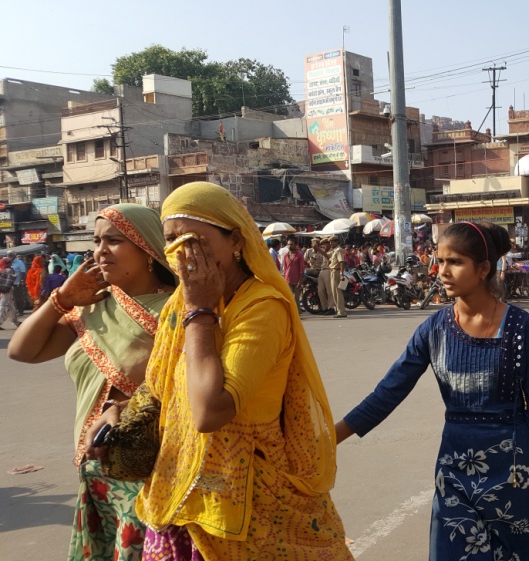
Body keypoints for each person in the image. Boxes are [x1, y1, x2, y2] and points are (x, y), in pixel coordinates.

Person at [87, 182, 353, 560]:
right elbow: (168, 389)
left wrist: (200, 310)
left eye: (193, 239)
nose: (181, 252)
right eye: (170, 241)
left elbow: (209, 411)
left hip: (249, 509)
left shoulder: (261, 308)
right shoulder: (178, 305)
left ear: (236, 242)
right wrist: (122, 410)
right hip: (179, 497)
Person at [336, 221, 529, 560]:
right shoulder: (433, 329)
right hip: (454, 475)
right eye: (439, 261)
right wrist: (328, 439)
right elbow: (387, 393)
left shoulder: (522, 328)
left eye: (455, 262)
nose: (442, 271)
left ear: (483, 268)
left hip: (515, 477)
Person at [8, 204, 176, 561]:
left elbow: (184, 387)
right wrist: (61, 300)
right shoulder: (92, 307)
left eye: (114, 240)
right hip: (96, 467)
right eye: (97, 240)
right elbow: (23, 352)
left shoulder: (177, 309)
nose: (100, 250)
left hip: (150, 465)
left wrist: (124, 407)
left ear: (147, 247)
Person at [281, 237, 305, 307]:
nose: (290, 246)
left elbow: (301, 269)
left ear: (295, 245)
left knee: (296, 299)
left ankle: (297, 316)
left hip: (297, 280)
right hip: (288, 279)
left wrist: (300, 281)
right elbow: (285, 268)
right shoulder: (285, 255)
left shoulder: (299, 255)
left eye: (291, 244)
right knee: (290, 299)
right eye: (288, 244)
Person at [328, 237, 347, 318]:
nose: (331, 244)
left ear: (337, 241)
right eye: (330, 242)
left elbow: (341, 262)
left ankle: (341, 311)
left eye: (332, 242)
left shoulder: (338, 250)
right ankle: (339, 310)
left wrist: (341, 273)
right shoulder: (334, 250)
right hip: (332, 271)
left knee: (337, 292)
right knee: (334, 292)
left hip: (336, 272)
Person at [0, 257, 19, 329]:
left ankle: (15, 321)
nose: (11, 263)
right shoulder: (9, 270)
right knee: (3, 305)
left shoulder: (1, 270)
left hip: (2, 290)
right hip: (7, 291)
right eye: (10, 262)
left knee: (11, 307)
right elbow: (9, 281)